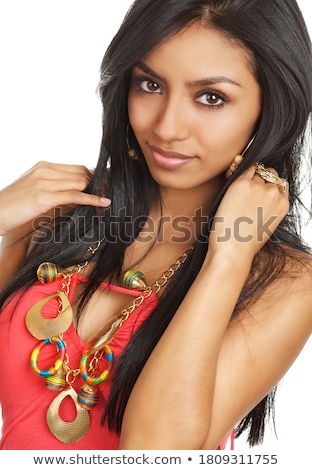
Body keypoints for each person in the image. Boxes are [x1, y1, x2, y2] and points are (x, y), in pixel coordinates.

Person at [0, 0, 311, 451]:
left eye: (211, 97)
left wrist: (227, 259)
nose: (166, 127)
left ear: (271, 109)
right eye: (149, 84)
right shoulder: (58, 214)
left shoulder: (284, 280)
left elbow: (156, 452)